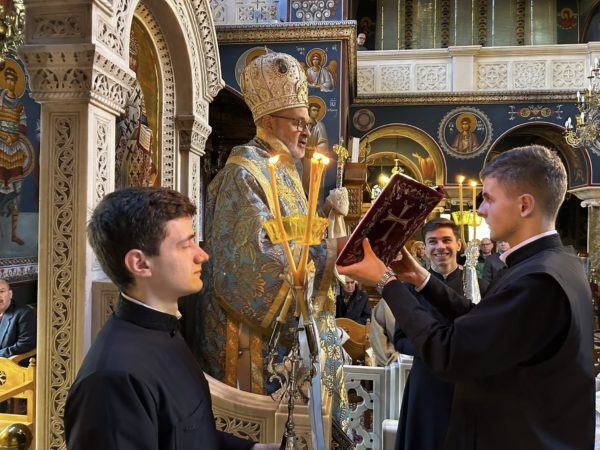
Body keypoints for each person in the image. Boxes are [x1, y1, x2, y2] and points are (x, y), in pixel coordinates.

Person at [337, 145, 594, 449]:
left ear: (524, 205)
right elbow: (479, 321)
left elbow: (448, 352)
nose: (481, 210)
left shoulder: (539, 281)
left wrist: (385, 281)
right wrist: (420, 278)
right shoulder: (555, 264)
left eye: (489, 199)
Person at [193, 52, 350, 430]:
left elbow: (295, 240)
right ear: (267, 121)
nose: (306, 132)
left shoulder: (287, 172)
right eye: (297, 122)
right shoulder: (245, 172)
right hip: (260, 352)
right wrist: (330, 255)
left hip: (300, 339)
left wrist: (329, 222)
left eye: (307, 123)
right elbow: (249, 267)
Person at [64, 187, 277, 450]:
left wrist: (253, 449)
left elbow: (187, 434)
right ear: (140, 264)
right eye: (186, 244)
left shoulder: (166, 330)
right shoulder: (111, 382)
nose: (202, 255)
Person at [393, 218, 487, 450]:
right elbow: (400, 339)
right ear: (424, 248)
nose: (440, 247)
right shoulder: (409, 288)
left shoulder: (479, 286)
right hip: (427, 381)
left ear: (458, 244)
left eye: (446, 240)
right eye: (433, 242)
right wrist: (434, 349)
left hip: (465, 383)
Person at [115, 32, 156, 189]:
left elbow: (141, 115)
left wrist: (141, 129)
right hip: (120, 131)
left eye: (134, 58)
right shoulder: (119, 80)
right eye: (130, 57)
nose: (132, 62)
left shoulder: (135, 85)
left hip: (133, 136)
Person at [0, 65, 35, 246]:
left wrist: (14, 135)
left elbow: (23, 125)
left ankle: (13, 233)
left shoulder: (20, 105)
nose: (11, 83)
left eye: (13, 80)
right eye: (8, 79)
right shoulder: (0, 101)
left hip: (15, 149)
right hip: (1, 148)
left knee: (17, 192)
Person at [0, 278, 36, 363]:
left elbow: (25, 344)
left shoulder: (24, 314)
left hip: (12, 364)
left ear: (10, 294)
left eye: (1, 291)